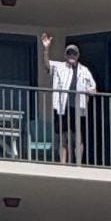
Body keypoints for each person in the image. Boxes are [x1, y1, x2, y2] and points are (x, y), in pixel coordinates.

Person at [41, 32, 97, 163]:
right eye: (69, 53)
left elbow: (94, 88)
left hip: (79, 108)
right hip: (62, 107)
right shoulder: (59, 66)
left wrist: (89, 91)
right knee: (63, 136)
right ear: (65, 55)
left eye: (74, 53)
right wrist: (46, 48)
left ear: (78, 56)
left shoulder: (84, 70)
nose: (72, 56)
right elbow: (46, 65)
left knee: (78, 137)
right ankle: (63, 164)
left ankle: (78, 163)